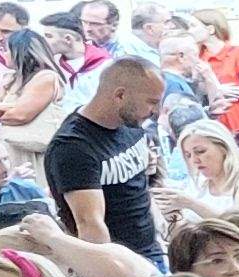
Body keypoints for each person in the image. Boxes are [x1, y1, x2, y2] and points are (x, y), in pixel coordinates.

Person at [46, 51, 165, 258]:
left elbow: (138, 187)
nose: (156, 111)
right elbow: (90, 226)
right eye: (151, 102)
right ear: (120, 95)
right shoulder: (73, 147)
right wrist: (114, 275)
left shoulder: (132, 123)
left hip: (151, 249)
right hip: (121, 265)